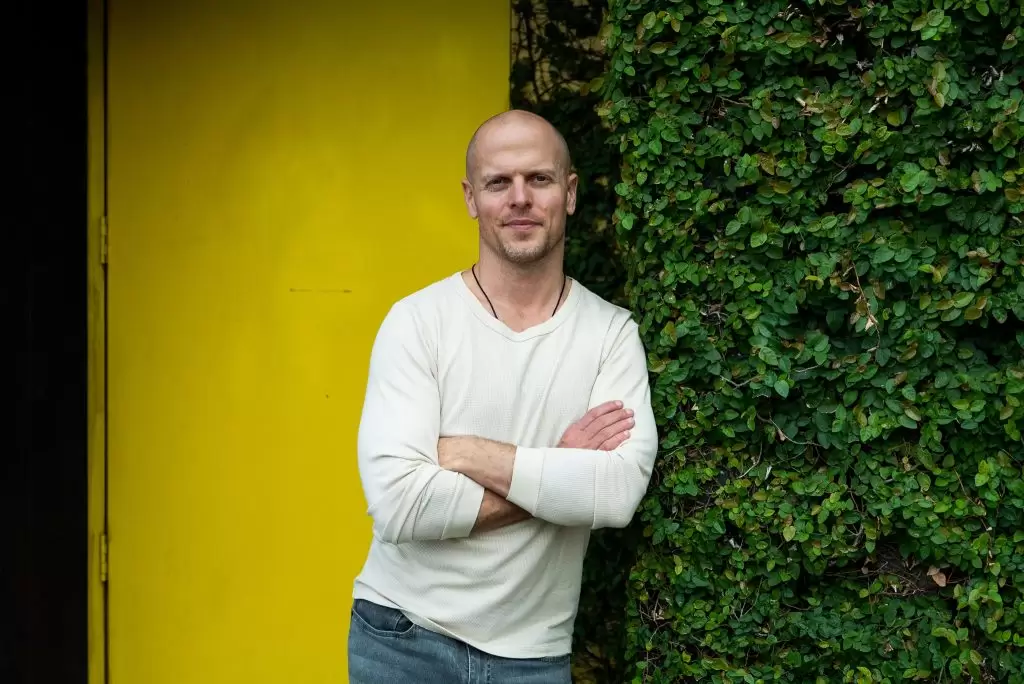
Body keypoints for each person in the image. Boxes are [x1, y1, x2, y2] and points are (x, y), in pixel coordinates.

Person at [347, 109, 659, 683]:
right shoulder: (417, 323)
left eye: (538, 179)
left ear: (569, 193)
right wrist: (559, 470)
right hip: (402, 638)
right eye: (498, 182)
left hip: (532, 657)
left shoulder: (610, 334)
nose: (520, 198)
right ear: (472, 198)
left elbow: (615, 494)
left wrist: (469, 453)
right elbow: (399, 504)